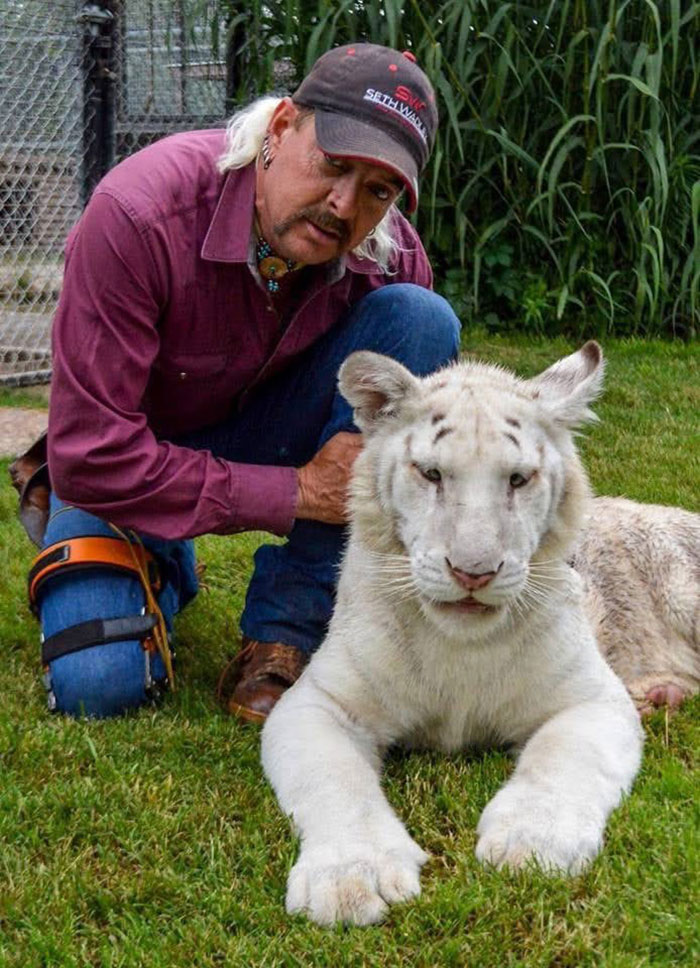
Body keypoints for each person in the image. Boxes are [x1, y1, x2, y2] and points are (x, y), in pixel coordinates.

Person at [22, 43, 460, 720]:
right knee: (97, 685)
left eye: (377, 190)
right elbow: (89, 457)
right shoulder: (136, 215)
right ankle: (157, 553)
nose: (343, 206)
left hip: (274, 427)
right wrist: (297, 493)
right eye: (333, 165)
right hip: (131, 460)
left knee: (421, 321)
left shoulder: (393, 259)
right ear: (281, 127)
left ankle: (287, 635)